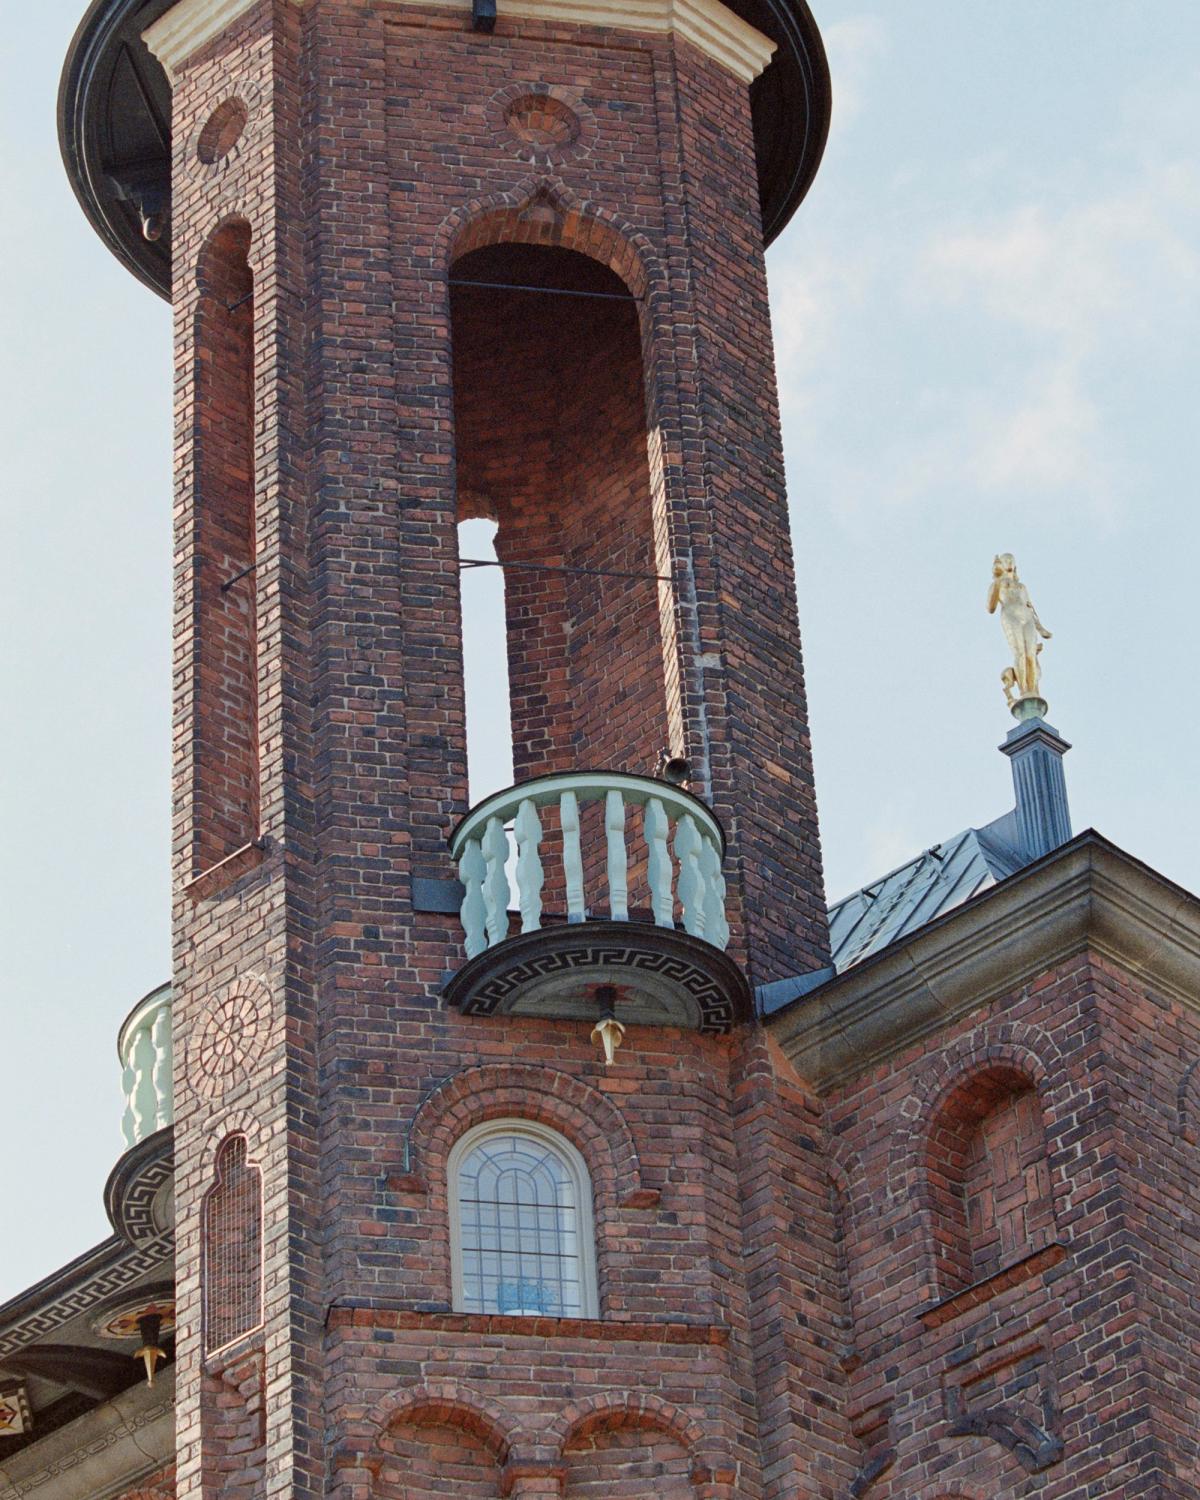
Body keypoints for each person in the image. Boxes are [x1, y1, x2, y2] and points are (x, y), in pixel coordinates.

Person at [987, 553, 1052, 700]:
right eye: (1005, 560)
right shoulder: (997, 584)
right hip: (1010, 616)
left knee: (1031, 654)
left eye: (1011, 560)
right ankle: (1024, 691)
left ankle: (1034, 690)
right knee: (1020, 654)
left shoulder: (1022, 587)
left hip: (1027, 617)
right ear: (1001, 565)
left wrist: (1040, 628)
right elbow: (990, 608)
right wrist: (997, 581)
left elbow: (1030, 607)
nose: (1009, 562)